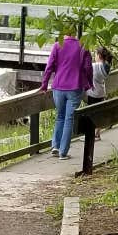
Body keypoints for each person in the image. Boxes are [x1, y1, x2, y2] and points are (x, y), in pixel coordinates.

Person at [41, 26, 93, 158]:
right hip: (75, 87)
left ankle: (55, 146)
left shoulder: (57, 45)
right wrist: (90, 83)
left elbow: (49, 67)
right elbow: (88, 67)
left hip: (58, 86)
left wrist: (44, 84)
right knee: (69, 119)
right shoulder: (83, 46)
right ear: (75, 32)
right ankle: (63, 152)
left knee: (60, 116)